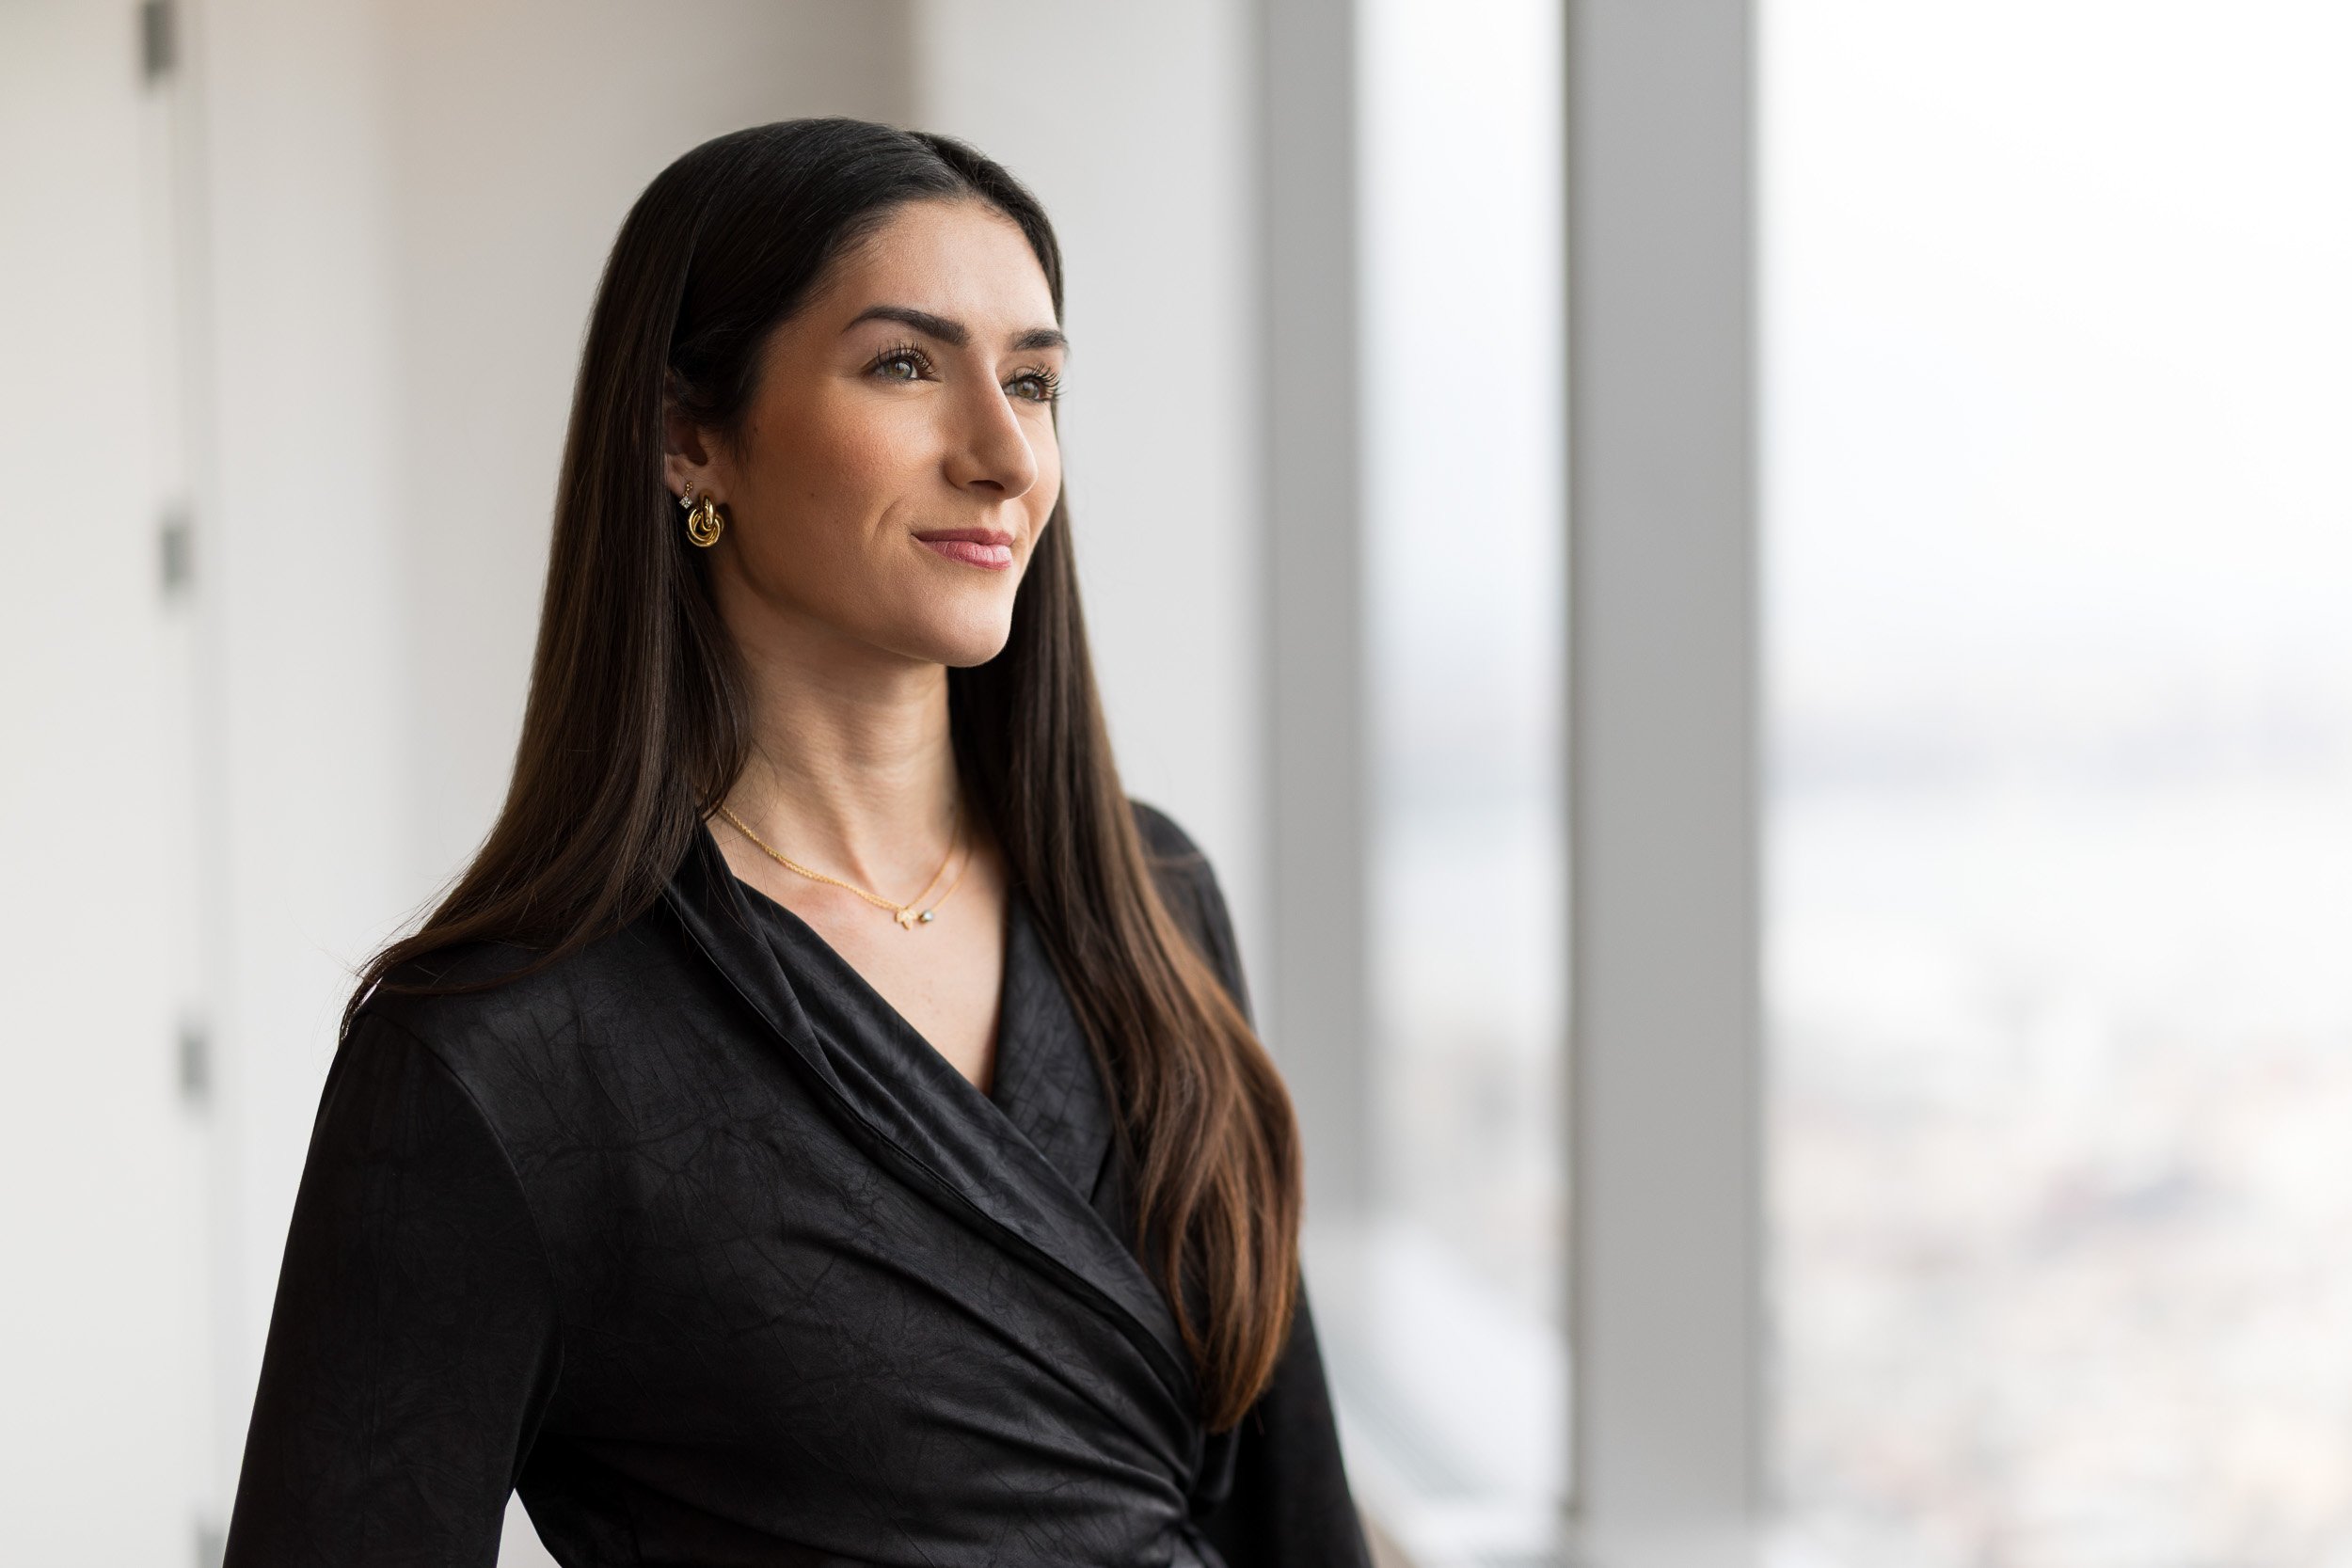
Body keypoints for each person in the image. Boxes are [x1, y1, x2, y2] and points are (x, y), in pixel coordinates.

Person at [219, 119, 1371, 1568]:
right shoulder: (500, 1053)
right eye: (905, 365)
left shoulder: (1152, 901)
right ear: (686, 435)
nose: (1006, 454)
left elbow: (1295, 1512)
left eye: (1034, 381)